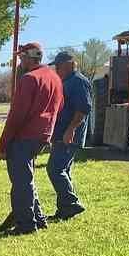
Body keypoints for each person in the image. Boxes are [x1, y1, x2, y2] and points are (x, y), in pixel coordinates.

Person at [0, 42, 64, 235]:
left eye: (20, 57)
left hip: (24, 137)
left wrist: (3, 145)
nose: (19, 61)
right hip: (43, 137)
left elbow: (16, 115)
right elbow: (59, 108)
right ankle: (39, 218)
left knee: (21, 183)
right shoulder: (55, 78)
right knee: (27, 179)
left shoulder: (29, 79)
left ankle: (26, 225)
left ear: (28, 57)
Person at [47, 50, 92, 221]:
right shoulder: (66, 81)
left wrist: (70, 130)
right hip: (62, 134)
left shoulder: (78, 82)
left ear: (70, 64)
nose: (56, 69)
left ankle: (72, 204)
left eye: (58, 66)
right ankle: (64, 210)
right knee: (63, 170)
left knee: (55, 169)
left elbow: (82, 109)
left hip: (69, 135)